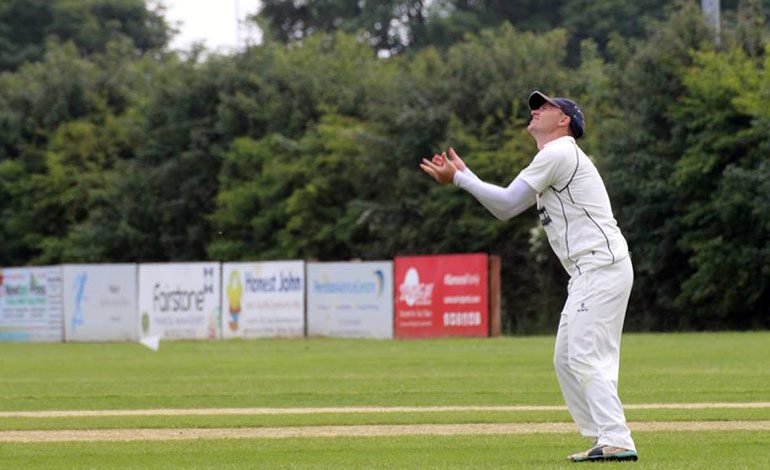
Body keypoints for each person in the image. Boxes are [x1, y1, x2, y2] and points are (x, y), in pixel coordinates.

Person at [420, 91, 638, 463]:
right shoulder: (553, 157)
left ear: (565, 120)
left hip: (601, 265)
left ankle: (616, 437)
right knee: (566, 359)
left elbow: (505, 204)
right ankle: (602, 437)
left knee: (585, 356)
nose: (535, 111)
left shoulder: (560, 151)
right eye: (535, 107)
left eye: (546, 107)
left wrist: (461, 180)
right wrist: (464, 175)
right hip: (590, 271)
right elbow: (507, 205)